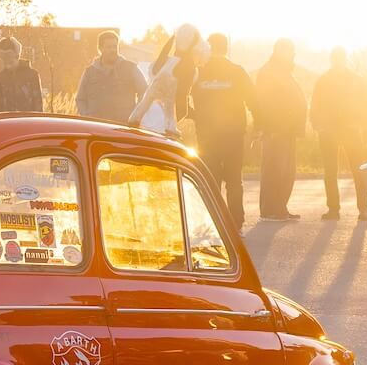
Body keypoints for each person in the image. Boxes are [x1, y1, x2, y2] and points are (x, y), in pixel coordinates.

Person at [191, 33, 257, 230]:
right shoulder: (237, 71)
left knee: (210, 179)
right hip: (234, 135)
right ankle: (236, 223)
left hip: (207, 136)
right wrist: (259, 126)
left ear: (208, 48)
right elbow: (253, 100)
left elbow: (180, 99)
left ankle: (212, 223)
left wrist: (195, 116)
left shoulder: (198, 72)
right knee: (234, 180)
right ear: (226, 48)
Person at [310, 47, 367, 222]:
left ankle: (339, 210)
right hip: (339, 130)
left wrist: (317, 125)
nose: (338, 63)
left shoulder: (325, 80)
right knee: (345, 171)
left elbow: (366, 103)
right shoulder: (353, 80)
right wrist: (318, 125)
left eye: (339, 59)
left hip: (343, 130)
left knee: (343, 171)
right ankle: (354, 209)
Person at [255, 39, 307, 221]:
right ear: (280, 51)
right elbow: (263, 102)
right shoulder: (269, 72)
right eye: (290, 51)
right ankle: (270, 210)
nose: (293, 54)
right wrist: (269, 127)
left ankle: (280, 208)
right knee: (274, 170)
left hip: (288, 130)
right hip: (276, 130)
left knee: (286, 171)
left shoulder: (284, 71)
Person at [129, 23, 205, 136]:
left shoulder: (172, 57)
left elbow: (163, 55)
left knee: (148, 98)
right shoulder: (188, 62)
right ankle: (170, 126)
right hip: (172, 82)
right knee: (169, 103)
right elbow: (183, 90)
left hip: (161, 76)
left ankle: (134, 118)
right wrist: (185, 107)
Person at [75, 30, 147, 123]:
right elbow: (80, 99)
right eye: (109, 47)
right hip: (96, 128)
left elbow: (145, 92)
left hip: (124, 128)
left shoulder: (130, 68)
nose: (113, 50)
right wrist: (87, 117)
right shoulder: (89, 72)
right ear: (100, 49)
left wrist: (136, 115)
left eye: (115, 46)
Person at [0, 35, 44, 112]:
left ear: (17, 57)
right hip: (5, 123)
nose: (7, 65)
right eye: (4, 62)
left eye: (10, 62)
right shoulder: (0, 78)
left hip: (27, 122)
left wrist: (37, 122)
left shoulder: (32, 76)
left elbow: (38, 104)